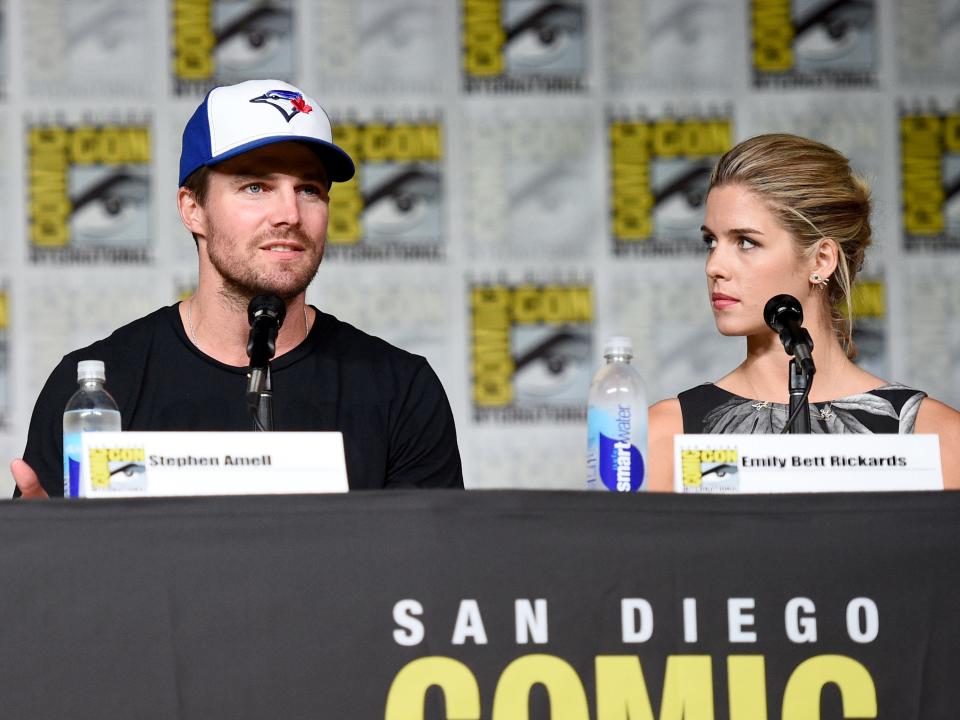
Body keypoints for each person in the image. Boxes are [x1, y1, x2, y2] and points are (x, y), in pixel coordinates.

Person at [11, 79, 463, 497]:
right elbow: (47, 570)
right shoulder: (97, 388)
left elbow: (424, 574)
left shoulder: (399, 389)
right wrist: (49, 552)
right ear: (193, 210)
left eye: (309, 189)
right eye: (255, 187)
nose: (289, 213)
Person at [647, 133, 960, 491]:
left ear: (822, 259)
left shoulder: (939, 440)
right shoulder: (665, 436)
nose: (714, 266)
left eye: (746, 242)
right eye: (711, 242)